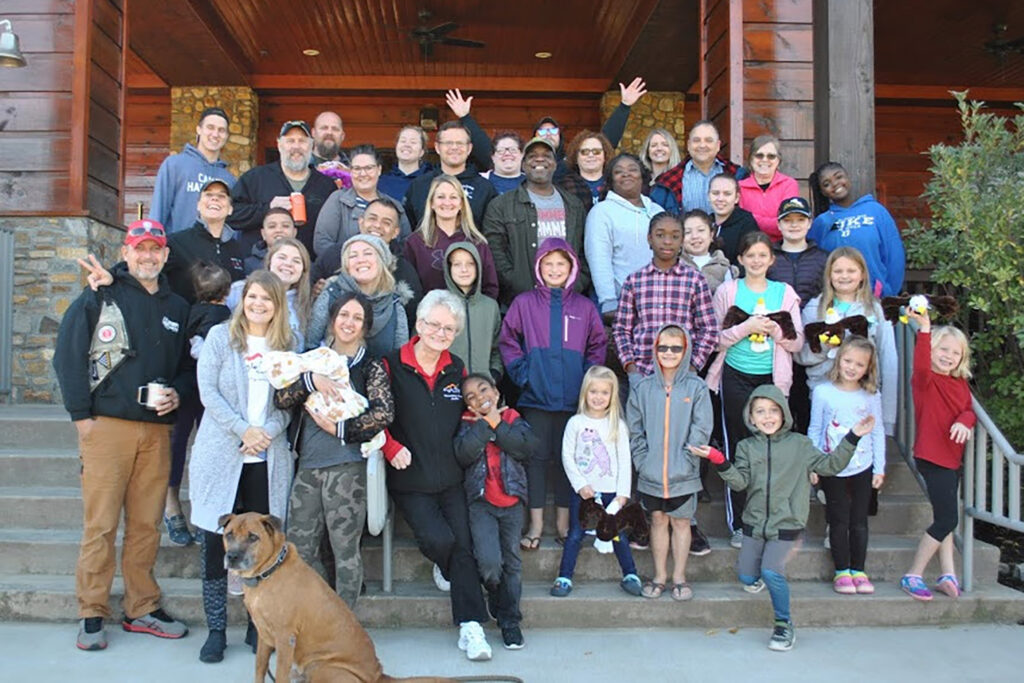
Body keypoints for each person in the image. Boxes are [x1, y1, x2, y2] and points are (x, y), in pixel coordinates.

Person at [54, 219, 191, 651]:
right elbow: (67, 355)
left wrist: (178, 393)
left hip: (157, 431)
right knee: (100, 525)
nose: (148, 256)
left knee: (147, 524)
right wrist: (82, 418)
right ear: (126, 253)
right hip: (107, 427)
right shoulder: (100, 294)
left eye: (155, 249)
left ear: (165, 255)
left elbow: (187, 366)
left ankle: (141, 607)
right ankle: (92, 612)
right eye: (140, 248)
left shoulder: (177, 307)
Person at [690, 385, 875, 651]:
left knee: (771, 571)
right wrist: (719, 460)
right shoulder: (746, 447)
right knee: (746, 577)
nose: (767, 416)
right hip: (754, 524)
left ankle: (783, 624)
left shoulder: (800, 445)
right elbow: (740, 483)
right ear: (751, 417)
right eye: (760, 411)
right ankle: (758, 579)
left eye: (773, 410)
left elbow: (830, 465)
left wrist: (853, 437)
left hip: (787, 523)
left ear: (784, 414)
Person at [189, 270, 295, 663]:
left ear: (277, 305)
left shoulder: (287, 346)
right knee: (215, 546)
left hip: (266, 459)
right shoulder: (221, 337)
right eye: (252, 296)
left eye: (267, 298)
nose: (258, 304)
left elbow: (289, 403)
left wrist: (265, 432)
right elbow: (208, 392)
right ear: (242, 299)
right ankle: (216, 630)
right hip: (223, 454)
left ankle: (257, 627)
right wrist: (242, 429)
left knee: (262, 546)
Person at [381, 290, 493, 661]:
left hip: (451, 477)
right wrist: (390, 447)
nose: (440, 333)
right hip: (409, 478)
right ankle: (445, 566)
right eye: (434, 325)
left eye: (449, 328)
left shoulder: (456, 368)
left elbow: (467, 415)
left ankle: (472, 627)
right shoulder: (391, 365)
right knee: (439, 540)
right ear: (419, 323)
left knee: (464, 546)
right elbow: (374, 415)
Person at [273, 292, 394, 607]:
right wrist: (311, 381)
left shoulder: (369, 366)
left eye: (357, 318)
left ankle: (343, 622)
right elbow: (281, 399)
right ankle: (306, 616)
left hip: (347, 467)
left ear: (365, 326)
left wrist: (340, 428)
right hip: (308, 467)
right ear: (332, 319)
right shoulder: (312, 360)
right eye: (344, 315)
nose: (349, 322)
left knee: (345, 550)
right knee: (297, 549)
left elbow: (384, 414)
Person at [499, 239, 606, 550]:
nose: (555, 269)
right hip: (536, 397)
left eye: (561, 264)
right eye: (548, 264)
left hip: (573, 399)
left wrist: (586, 381)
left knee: (567, 461)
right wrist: (524, 375)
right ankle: (534, 524)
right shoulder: (524, 303)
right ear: (538, 267)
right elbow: (508, 341)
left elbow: (598, 344)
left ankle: (563, 523)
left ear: (572, 268)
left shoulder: (584, 307)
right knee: (535, 460)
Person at [705, 231, 805, 549]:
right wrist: (745, 328)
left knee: (771, 451)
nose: (757, 261)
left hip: (771, 382)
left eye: (763, 255)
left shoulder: (784, 293)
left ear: (771, 259)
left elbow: (798, 343)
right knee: (738, 449)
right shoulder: (728, 291)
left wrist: (776, 330)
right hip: (735, 377)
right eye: (750, 255)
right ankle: (739, 525)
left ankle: (771, 522)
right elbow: (714, 339)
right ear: (740, 259)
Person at [628, 325, 713, 601]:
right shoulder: (643, 388)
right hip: (651, 473)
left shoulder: (696, 387)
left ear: (686, 350)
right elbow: (635, 430)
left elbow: (702, 428)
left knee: (681, 523)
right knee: (657, 521)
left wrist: (688, 460)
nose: (668, 353)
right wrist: (642, 461)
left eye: (676, 348)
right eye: (663, 347)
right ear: (655, 350)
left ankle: (679, 577)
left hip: (683, 474)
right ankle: (659, 576)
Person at [454, 373, 538, 650]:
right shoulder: (467, 424)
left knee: (512, 563)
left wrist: (497, 423)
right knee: (489, 562)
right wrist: (484, 424)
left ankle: (510, 621)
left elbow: (524, 448)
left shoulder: (513, 418)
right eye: (472, 397)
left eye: (484, 390)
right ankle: (493, 590)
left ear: (496, 392)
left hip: (512, 503)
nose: (480, 398)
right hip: (482, 504)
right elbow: (463, 454)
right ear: (468, 405)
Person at [900, 310, 975, 601]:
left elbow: (968, 410)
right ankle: (913, 574)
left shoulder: (960, 383)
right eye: (943, 349)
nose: (948, 356)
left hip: (952, 458)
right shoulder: (925, 380)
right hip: (932, 457)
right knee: (947, 519)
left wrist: (964, 420)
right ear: (932, 350)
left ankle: (948, 573)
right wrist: (925, 328)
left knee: (944, 516)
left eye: (955, 353)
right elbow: (920, 364)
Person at [551, 366, 642, 598]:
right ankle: (564, 577)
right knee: (575, 534)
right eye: (593, 391)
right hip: (585, 493)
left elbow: (625, 461)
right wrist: (580, 485)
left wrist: (623, 494)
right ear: (585, 393)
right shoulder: (575, 423)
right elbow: (567, 457)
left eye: (604, 392)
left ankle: (630, 574)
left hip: (612, 493)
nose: (598, 397)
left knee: (617, 534)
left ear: (612, 395)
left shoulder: (617, 425)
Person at [807, 336, 886, 595]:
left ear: (868, 368)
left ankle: (859, 570)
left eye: (859, 364)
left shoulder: (871, 396)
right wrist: (813, 464)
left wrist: (879, 467)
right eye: (848, 361)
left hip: (863, 465)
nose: (852, 367)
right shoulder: (823, 392)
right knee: (838, 520)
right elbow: (815, 429)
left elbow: (877, 432)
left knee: (859, 521)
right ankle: (842, 570)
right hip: (832, 467)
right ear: (838, 359)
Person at [164, 263, 234, 547]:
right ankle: (204, 515)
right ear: (227, 292)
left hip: (187, 383)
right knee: (204, 448)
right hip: (205, 387)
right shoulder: (223, 315)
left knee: (180, 444)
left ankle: (198, 512)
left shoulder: (190, 312)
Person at [799, 247, 898, 436]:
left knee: (862, 449)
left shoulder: (875, 309)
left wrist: (888, 417)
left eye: (851, 271)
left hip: (864, 396)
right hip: (825, 396)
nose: (844, 276)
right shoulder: (814, 308)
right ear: (829, 275)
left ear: (862, 275)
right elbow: (800, 355)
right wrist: (824, 347)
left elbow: (888, 358)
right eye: (838, 271)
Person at [483, 136, 588, 306]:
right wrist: (517, 284)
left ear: (555, 164)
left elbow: (585, 250)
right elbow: (495, 252)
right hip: (520, 302)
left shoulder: (574, 205)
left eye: (546, 155)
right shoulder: (501, 205)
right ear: (523, 165)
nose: (540, 159)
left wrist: (576, 284)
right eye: (532, 156)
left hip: (567, 300)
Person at [229, 120, 338, 257]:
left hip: (309, 266)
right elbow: (231, 215)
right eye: (290, 141)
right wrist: (268, 208)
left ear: (312, 146)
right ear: (279, 145)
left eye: (302, 141)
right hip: (260, 266)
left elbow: (336, 231)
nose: (296, 146)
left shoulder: (326, 186)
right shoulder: (255, 178)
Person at [765, 196, 828, 432]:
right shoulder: (769, 257)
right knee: (781, 403)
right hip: (778, 341)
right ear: (779, 224)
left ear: (809, 223)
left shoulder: (823, 258)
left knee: (809, 404)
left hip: (812, 342)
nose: (794, 225)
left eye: (800, 219)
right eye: (788, 220)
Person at [311, 196, 424, 326]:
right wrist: (314, 291)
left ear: (395, 232)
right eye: (372, 219)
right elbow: (308, 283)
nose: (377, 225)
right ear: (361, 222)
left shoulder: (404, 269)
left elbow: (411, 317)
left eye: (386, 222)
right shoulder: (335, 254)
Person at [585, 153, 665, 319]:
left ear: (642, 176)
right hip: (624, 304)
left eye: (632, 169)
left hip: (661, 300)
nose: (626, 174)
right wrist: (608, 301)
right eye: (618, 171)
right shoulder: (602, 212)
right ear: (611, 180)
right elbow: (599, 258)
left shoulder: (657, 211)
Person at [808, 161, 906, 297]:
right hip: (837, 299)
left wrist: (889, 291)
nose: (835, 184)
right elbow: (814, 260)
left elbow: (894, 253)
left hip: (876, 297)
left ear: (848, 178)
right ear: (823, 192)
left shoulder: (875, 211)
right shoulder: (822, 222)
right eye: (826, 184)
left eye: (838, 177)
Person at [526, 77, 647, 182]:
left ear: (560, 136)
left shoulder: (571, 161)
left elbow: (606, 141)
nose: (548, 134)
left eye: (553, 131)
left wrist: (624, 106)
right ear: (534, 137)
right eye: (542, 131)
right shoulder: (525, 163)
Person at [309, 234, 410, 356]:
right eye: (353, 256)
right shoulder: (330, 295)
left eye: (367, 253)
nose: (360, 260)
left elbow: (400, 356)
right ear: (346, 265)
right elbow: (310, 345)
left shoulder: (395, 306)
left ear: (382, 261)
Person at [404, 174, 499, 299]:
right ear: (431, 203)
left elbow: (490, 289)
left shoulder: (477, 243)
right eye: (441, 197)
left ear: (461, 204)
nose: (447, 202)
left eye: (453, 197)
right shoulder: (414, 243)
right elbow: (409, 289)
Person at [313, 144, 413, 257]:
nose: (363, 174)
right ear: (350, 171)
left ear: (379, 170)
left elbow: (407, 247)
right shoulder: (338, 200)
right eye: (357, 168)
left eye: (369, 168)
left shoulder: (394, 206)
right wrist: (352, 261)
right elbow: (322, 243)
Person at [150, 107, 235, 233]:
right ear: (199, 129)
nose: (215, 134)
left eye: (221, 130)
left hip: (214, 245)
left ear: (226, 136)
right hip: (177, 243)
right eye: (210, 127)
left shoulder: (229, 179)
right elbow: (158, 210)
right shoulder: (175, 165)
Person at [162, 179, 247, 302]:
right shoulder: (175, 243)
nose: (215, 198)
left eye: (221, 196)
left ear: (230, 209)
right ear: (198, 205)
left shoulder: (236, 249)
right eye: (208, 194)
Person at [404, 121, 497, 229]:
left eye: (460, 143)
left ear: (469, 148)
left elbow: (491, 231)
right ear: (437, 147)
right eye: (448, 143)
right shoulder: (419, 185)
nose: (454, 147)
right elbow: (409, 228)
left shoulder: (485, 188)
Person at [228, 237, 312, 351]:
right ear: (269, 261)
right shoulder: (238, 290)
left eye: (296, 261)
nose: (288, 264)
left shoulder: (306, 302)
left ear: (303, 270)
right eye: (282, 257)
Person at [656, 120, 745, 213]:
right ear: (688, 145)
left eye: (708, 140)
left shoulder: (738, 175)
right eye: (696, 140)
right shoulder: (668, 181)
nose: (702, 145)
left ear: (718, 145)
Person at [444, 242, 502, 380]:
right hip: (448, 386)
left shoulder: (490, 306)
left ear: (478, 267)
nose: (464, 269)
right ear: (448, 268)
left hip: (482, 385)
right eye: (457, 264)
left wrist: (494, 374)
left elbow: (498, 348)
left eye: (470, 264)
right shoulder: (438, 304)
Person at [738, 135, 800, 240]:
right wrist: (777, 223)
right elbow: (741, 225)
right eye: (759, 155)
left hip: (781, 247)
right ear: (751, 159)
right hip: (750, 246)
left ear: (778, 160)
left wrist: (751, 219)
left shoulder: (789, 184)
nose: (765, 160)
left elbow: (788, 224)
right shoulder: (740, 187)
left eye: (771, 156)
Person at [708, 174, 760, 268]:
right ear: (708, 196)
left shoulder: (746, 223)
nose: (720, 199)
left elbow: (750, 260)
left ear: (736, 198)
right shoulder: (705, 223)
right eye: (715, 193)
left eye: (727, 194)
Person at [680, 209, 737, 294]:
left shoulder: (724, 268)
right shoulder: (675, 266)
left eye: (701, 230)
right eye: (688, 232)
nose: (695, 236)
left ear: (711, 235)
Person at [557, 130, 614, 210]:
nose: (591, 155)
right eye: (584, 152)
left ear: (605, 155)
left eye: (596, 151)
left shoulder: (614, 184)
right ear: (576, 157)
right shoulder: (563, 186)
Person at [377, 125, 433, 203]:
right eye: (403, 141)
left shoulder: (431, 181)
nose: (407, 145)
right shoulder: (381, 181)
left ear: (422, 152)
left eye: (413, 142)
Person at [244, 207, 297, 275]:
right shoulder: (250, 264)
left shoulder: (304, 262)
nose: (279, 230)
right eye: (272, 226)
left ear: (294, 232)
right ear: (263, 234)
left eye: (285, 226)